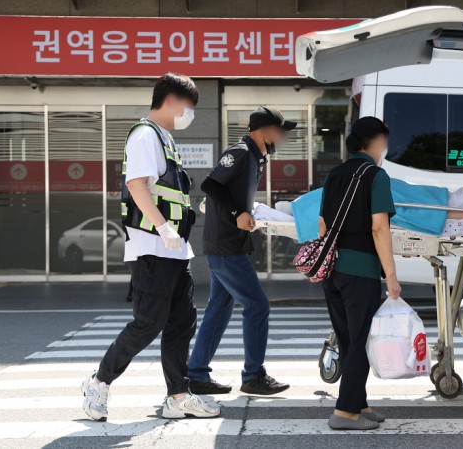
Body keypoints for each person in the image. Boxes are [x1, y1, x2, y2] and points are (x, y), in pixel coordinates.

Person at [81, 73, 220, 421]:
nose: (189, 113)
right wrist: (161, 227)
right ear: (172, 100)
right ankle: (98, 382)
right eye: (188, 106)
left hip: (173, 250)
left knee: (181, 323)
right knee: (148, 323)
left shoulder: (165, 138)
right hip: (151, 248)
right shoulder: (145, 135)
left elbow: (167, 192)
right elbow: (137, 186)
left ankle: (177, 395)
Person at [187, 106, 294, 396]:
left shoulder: (256, 157)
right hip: (225, 246)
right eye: (279, 131)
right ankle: (253, 376)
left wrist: (244, 210)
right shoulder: (242, 151)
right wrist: (236, 211)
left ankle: (196, 374)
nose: (282, 138)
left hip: (228, 243)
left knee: (218, 310)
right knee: (258, 305)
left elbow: (222, 191)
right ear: (266, 130)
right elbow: (211, 183)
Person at [319, 116, 401, 431]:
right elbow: (379, 227)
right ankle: (345, 413)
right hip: (360, 271)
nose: (385, 148)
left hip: (332, 270)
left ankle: (359, 402)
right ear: (375, 142)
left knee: (348, 338)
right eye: (384, 141)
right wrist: (391, 276)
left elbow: (323, 224)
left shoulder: (335, 175)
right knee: (360, 342)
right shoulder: (375, 175)